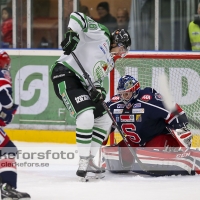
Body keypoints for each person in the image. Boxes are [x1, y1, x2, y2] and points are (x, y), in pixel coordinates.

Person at [49, 11, 131, 180]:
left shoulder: (109, 61)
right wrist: (72, 34)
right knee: (86, 115)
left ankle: (90, 160)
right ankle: (83, 160)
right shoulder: (102, 34)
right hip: (65, 73)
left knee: (105, 118)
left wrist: (98, 91)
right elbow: (76, 16)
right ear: (117, 41)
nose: (119, 53)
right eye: (121, 49)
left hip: (83, 84)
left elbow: (98, 81)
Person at [102, 75, 200, 176]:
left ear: (135, 91)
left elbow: (173, 108)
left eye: (126, 94)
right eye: (121, 94)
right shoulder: (114, 104)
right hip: (137, 141)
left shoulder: (149, 100)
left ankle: (187, 160)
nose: (123, 98)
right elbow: (104, 121)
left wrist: (181, 128)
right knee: (118, 154)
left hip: (158, 137)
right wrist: (103, 133)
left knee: (147, 156)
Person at [0, 51, 31, 199]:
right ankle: (7, 187)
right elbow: (6, 100)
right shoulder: (2, 77)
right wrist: (8, 109)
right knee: (8, 149)